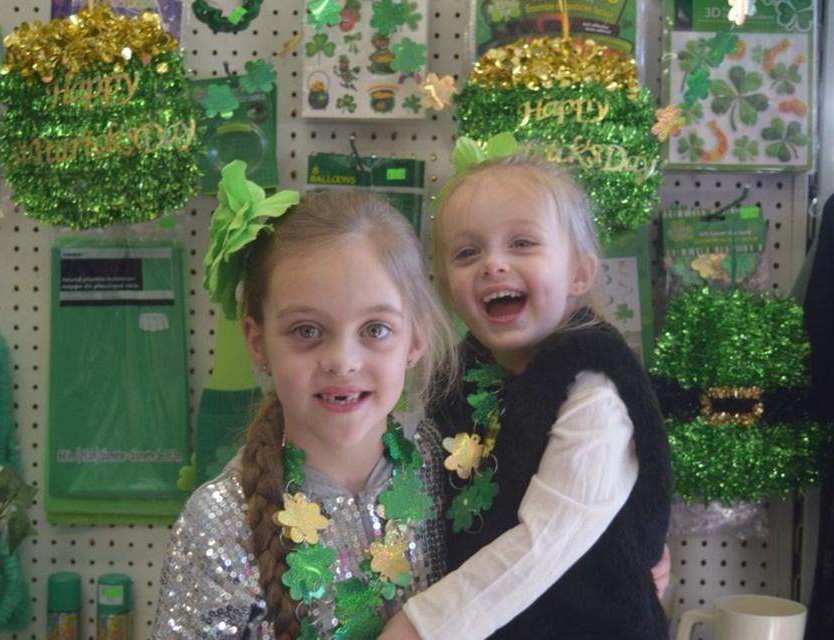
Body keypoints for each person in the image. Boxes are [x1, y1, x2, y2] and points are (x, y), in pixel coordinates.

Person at [382, 150, 673, 639]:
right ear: (449, 289)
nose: (494, 264)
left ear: (579, 274)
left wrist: (419, 627)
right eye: (467, 252)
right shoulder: (458, 378)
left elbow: (541, 543)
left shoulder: (595, 391)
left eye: (522, 243)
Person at [152, 178, 459, 638]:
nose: (342, 362)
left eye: (375, 329)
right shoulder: (218, 520)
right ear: (259, 344)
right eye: (306, 330)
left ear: (415, 339)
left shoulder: (449, 462)